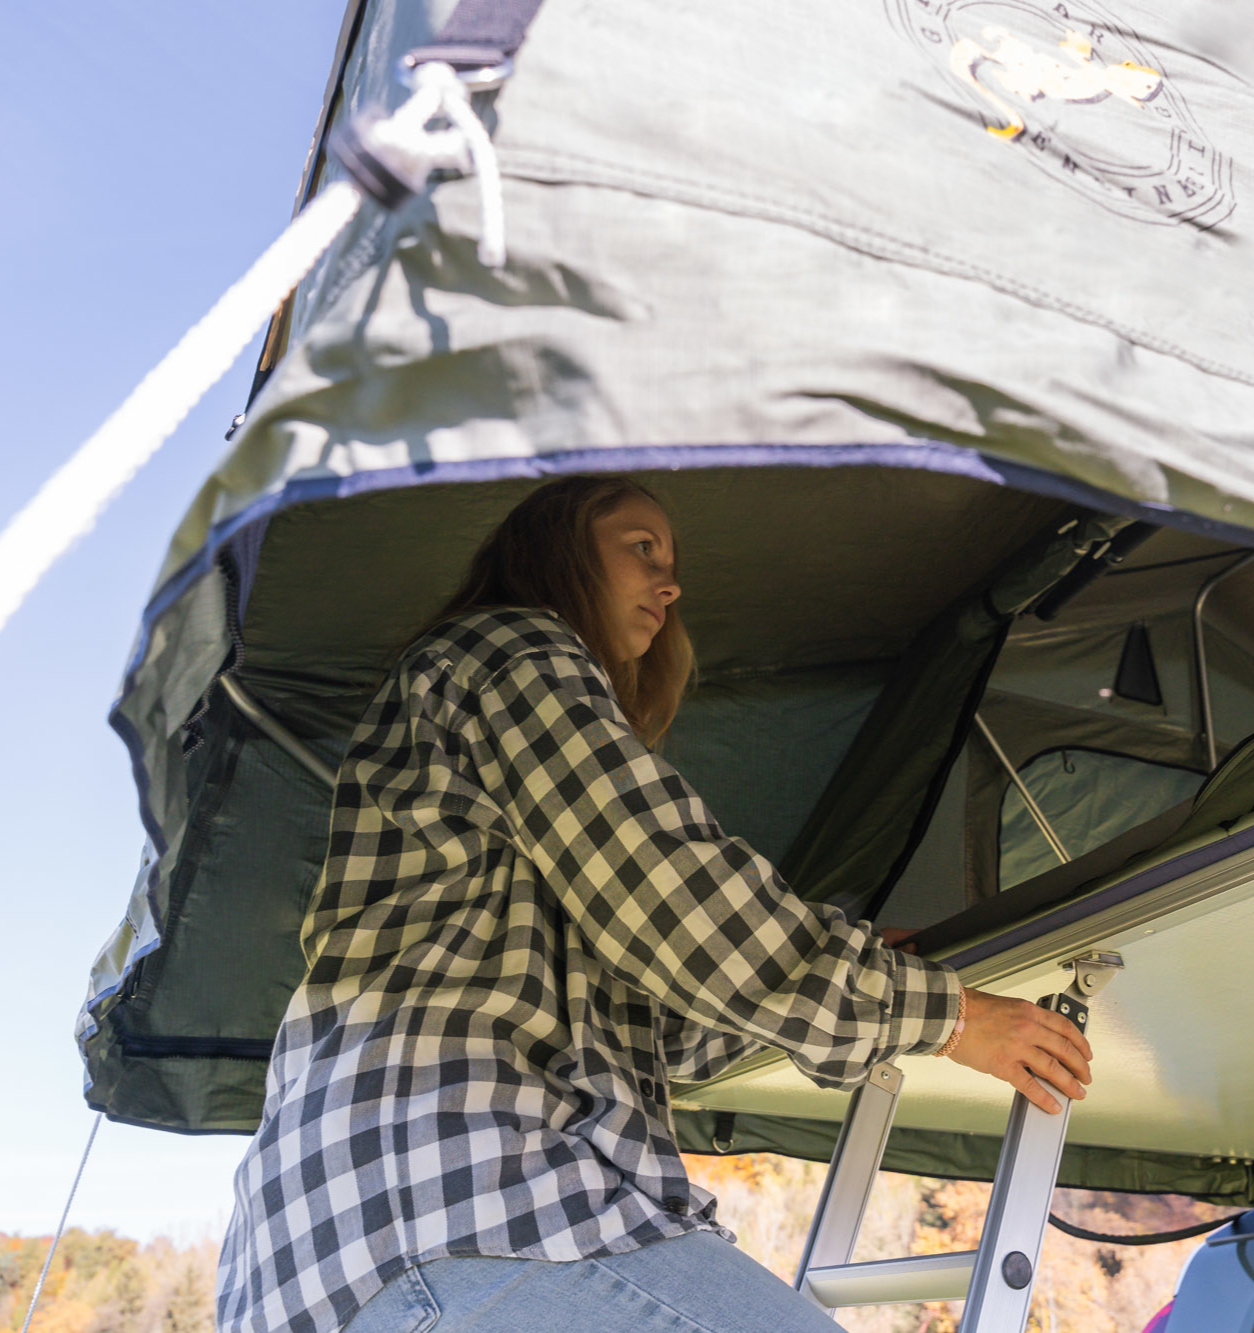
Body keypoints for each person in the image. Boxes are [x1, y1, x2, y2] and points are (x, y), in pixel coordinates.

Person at [216, 475, 1093, 1333]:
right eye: (640, 547)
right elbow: (663, 882)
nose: (670, 583)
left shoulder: (500, 792)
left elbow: (665, 1016)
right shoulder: (511, 650)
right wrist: (946, 1017)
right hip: (459, 1200)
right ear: (556, 549)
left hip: (336, 1252)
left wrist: (870, 971)